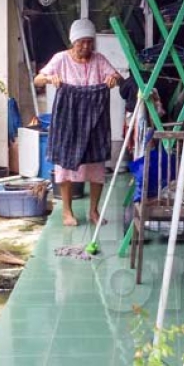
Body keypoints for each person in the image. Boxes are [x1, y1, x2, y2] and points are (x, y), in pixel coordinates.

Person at [34, 18, 122, 226]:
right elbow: (37, 79)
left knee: (96, 165)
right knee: (65, 164)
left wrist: (112, 79)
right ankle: (66, 212)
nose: (86, 46)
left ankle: (93, 211)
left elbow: (115, 75)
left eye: (89, 42)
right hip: (68, 119)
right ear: (73, 41)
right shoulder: (61, 59)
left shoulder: (98, 59)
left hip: (94, 118)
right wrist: (50, 79)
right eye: (81, 42)